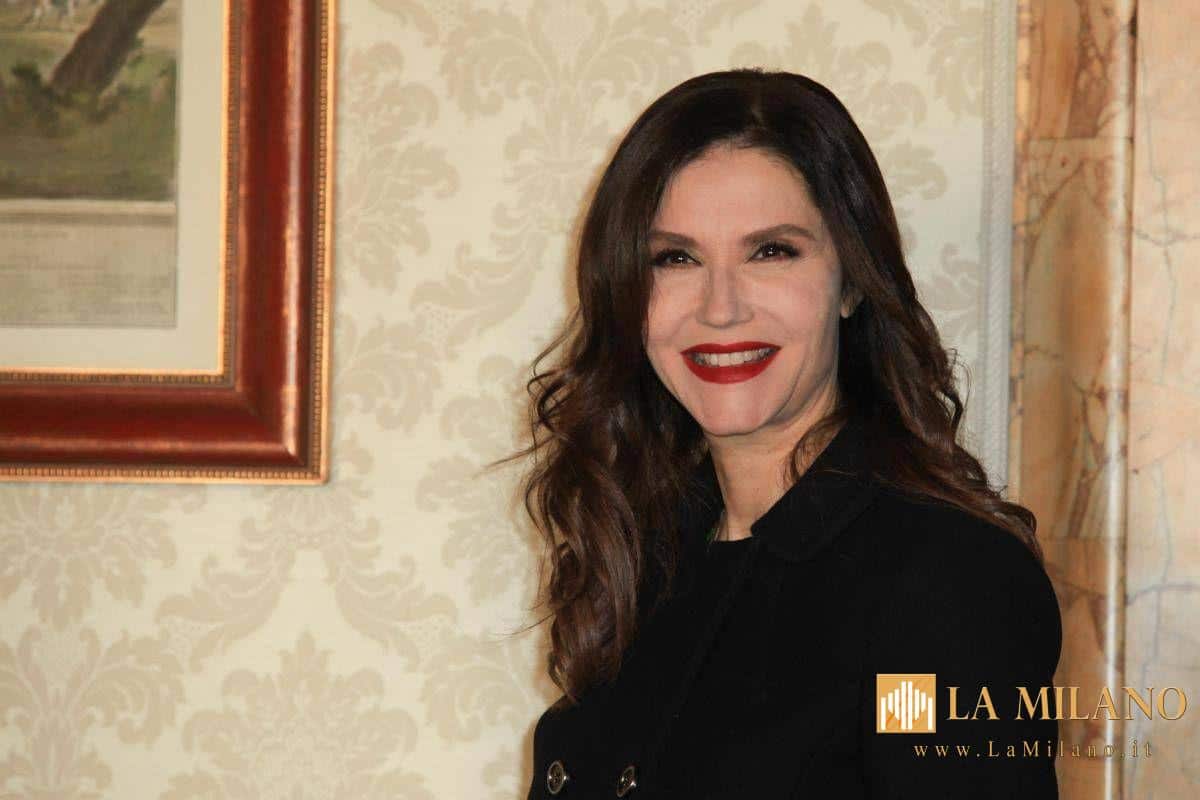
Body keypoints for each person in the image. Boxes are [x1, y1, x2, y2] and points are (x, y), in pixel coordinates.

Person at [502, 69, 1062, 799]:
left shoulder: (941, 583)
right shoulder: (642, 557)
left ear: (853, 282)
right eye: (675, 258)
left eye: (771, 251)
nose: (720, 308)